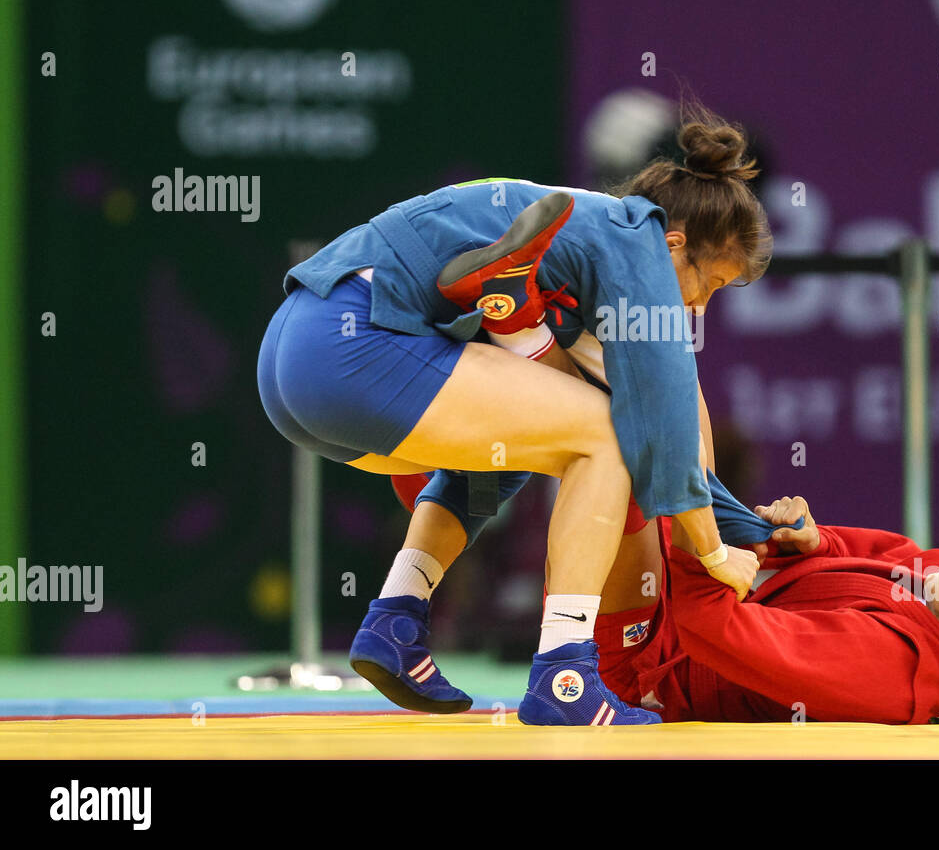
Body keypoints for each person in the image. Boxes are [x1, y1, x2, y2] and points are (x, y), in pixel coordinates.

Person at [257, 107, 770, 725]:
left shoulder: (590, 242)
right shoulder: (639, 247)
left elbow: (675, 434)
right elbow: (667, 430)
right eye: (709, 284)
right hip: (354, 346)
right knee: (605, 437)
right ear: (675, 243)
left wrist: (751, 528)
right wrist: (719, 553)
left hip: (294, 356)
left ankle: (396, 618)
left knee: (526, 441)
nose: (700, 307)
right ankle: (565, 676)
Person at [589, 495, 939, 724]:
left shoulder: (892, 668)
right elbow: (851, 557)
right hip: (676, 611)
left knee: (626, 462)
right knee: (678, 409)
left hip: (642, 672)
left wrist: (705, 547)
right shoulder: (932, 581)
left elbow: (716, 629)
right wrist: (810, 541)